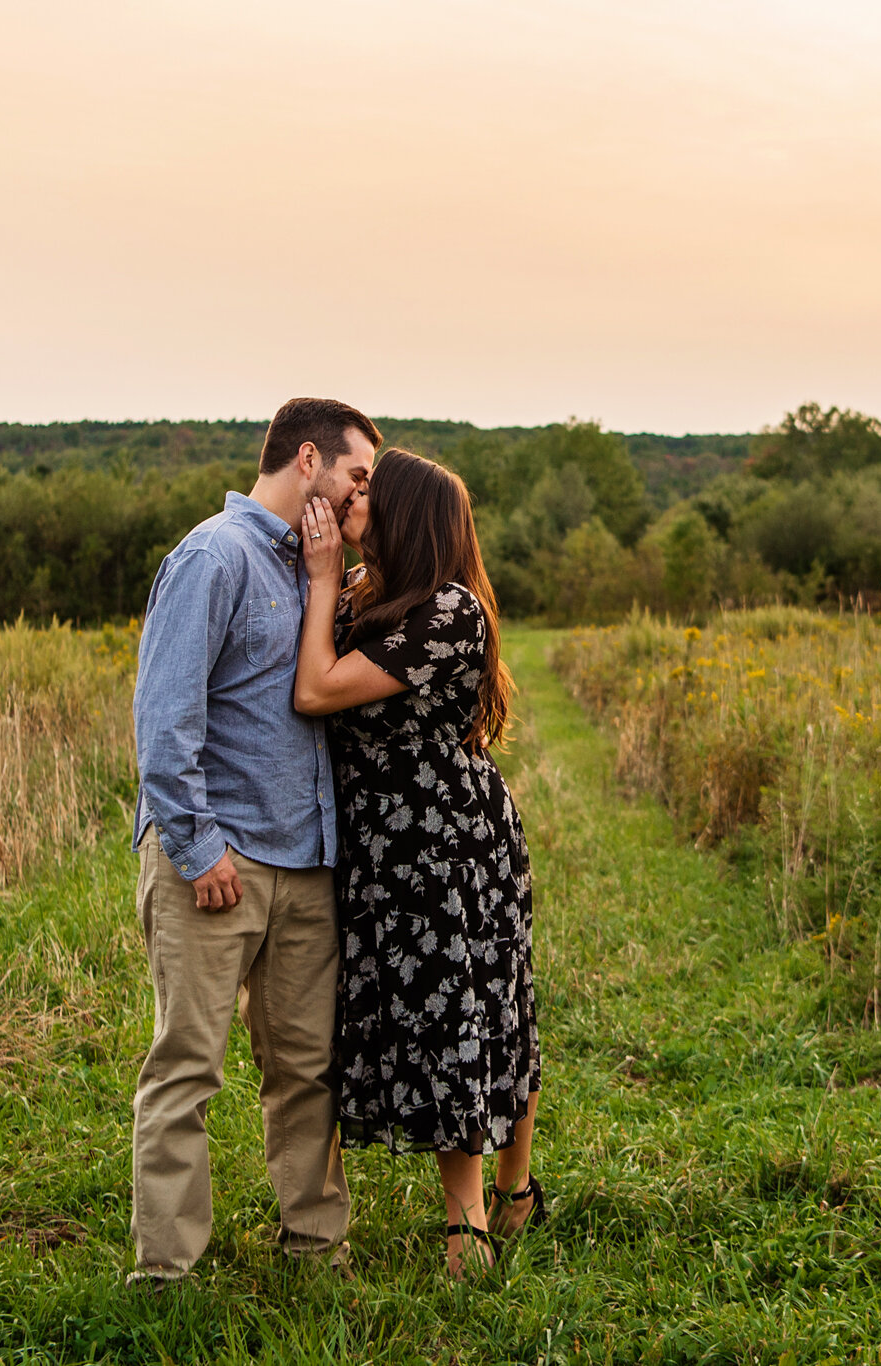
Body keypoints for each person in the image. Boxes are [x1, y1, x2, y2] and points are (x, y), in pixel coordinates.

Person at [127, 396, 379, 1285]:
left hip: (308, 864)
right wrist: (197, 849)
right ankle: (165, 1273)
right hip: (220, 862)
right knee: (188, 1067)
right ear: (306, 460)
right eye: (356, 477)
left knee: (308, 1072)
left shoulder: (322, 570)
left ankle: (315, 1254)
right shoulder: (214, 555)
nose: (361, 500)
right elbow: (165, 717)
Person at [291, 448, 544, 1278]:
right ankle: (503, 1200)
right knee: (460, 1012)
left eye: (371, 490)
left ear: (408, 513)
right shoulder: (379, 596)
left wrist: (325, 576)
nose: (355, 497)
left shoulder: (451, 611)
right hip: (385, 849)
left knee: (471, 1015)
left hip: (447, 843)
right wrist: (333, 580)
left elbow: (317, 691)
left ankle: (480, 1217)